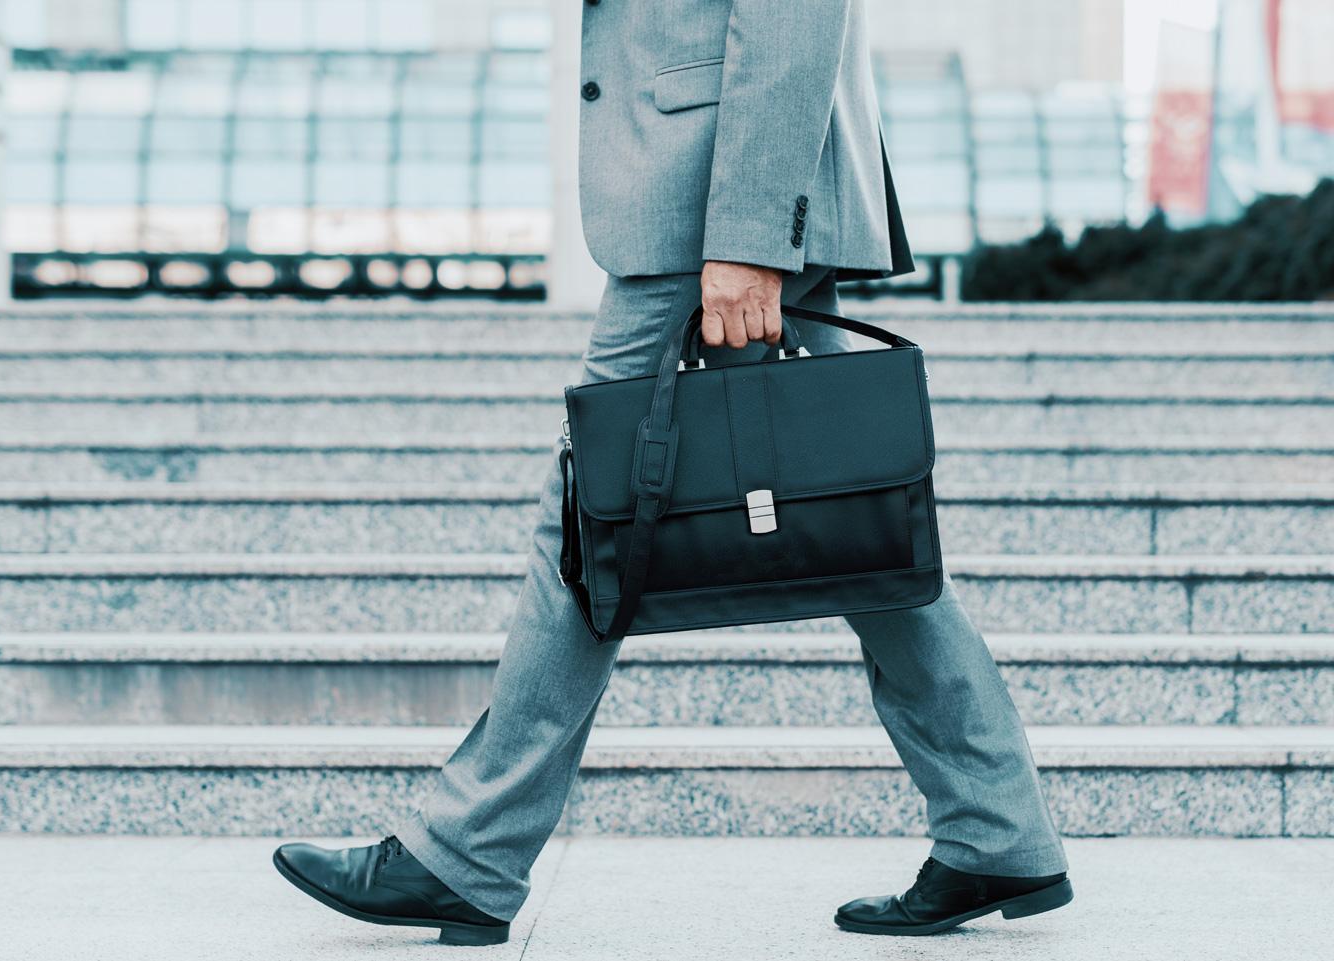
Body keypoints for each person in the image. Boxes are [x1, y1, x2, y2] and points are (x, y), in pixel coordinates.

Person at [272, 0, 1073, 945]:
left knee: (594, 513)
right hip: (729, 176)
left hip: (715, 198)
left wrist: (747, 235)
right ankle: (996, 827)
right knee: (858, 517)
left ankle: (466, 853)